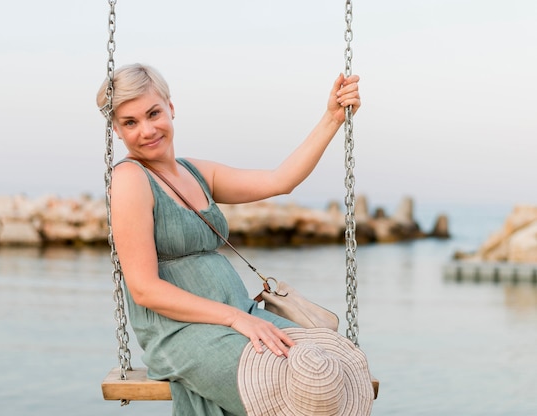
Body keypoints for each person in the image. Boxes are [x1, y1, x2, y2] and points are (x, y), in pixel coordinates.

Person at [96, 63, 374, 415]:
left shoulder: (196, 172)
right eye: (130, 122)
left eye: (153, 113)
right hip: (182, 333)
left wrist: (332, 118)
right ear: (117, 130)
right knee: (286, 388)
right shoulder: (130, 178)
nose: (146, 130)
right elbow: (144, 289)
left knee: (326, 369)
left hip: (242, 317)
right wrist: (234, 319)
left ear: (171, 107)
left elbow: (279, 180)